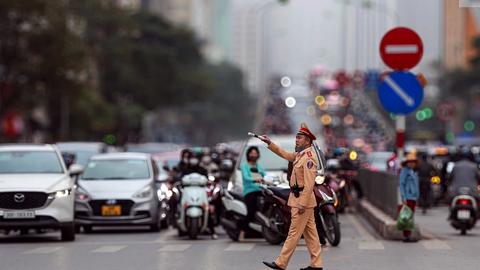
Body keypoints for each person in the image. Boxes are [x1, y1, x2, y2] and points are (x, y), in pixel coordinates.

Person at [259, 123, 323, 270]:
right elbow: (285, 154)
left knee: (293, 233)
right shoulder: (300, 155)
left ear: (307, 140)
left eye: (299, 138)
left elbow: (309, 184)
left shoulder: (308, 158)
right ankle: (316, 265)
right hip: (299, 198)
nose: (296, 140)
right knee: (311, 235)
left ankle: (281, 263)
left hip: (302, 200)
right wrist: (270, 143)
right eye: (296, 137)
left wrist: (302, 203)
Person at [239, 146, 266, 241]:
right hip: (250, 191)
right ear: (248, 154)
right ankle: (242, 232)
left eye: (255, 153)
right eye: (252, 153)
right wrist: (256, 179)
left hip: (260, 190)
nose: (254, 155)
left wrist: (267, 180)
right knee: (251, 212)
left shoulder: (258, 166)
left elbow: (265, 175)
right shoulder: (244, 166)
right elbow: (246, 177)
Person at [399, 153, 419, 243]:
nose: (411, 164)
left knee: (410, 216)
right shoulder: (404, 171)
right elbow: (401, 184)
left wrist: (417, 196)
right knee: (407, 216)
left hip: (413, 197)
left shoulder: (413, 172)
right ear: (406, 163)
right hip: (408, 196)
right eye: (409, 162)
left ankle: (408, 235)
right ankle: (406, 236)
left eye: (413, 162)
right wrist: (403, 197)